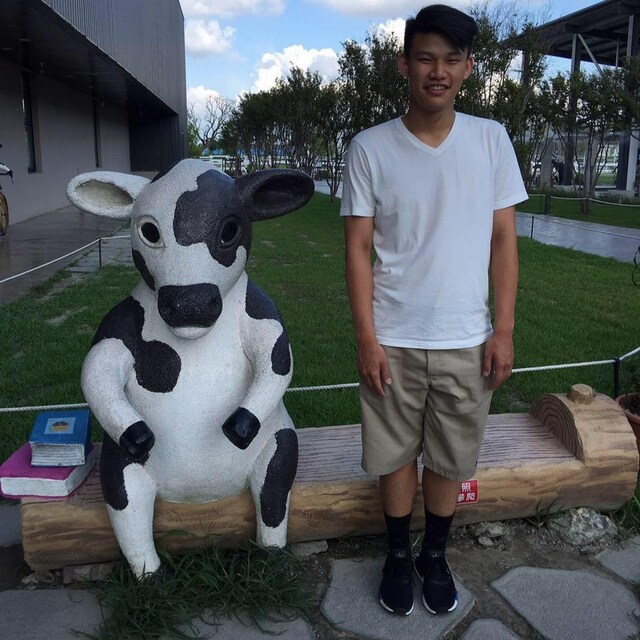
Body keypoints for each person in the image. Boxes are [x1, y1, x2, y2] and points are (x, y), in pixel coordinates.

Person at [341, 4, 527, 616]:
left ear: (468, 67)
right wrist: (366, 337)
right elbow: (358, 248)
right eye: (425, 58)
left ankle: (435, 555)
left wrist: (503, 330)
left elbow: (504, 240)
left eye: (451, 59)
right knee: (394, 453)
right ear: (405, 64)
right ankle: (398, 555)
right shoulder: (369, 148)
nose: (438, 71)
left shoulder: (491, 140)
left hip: (466, 337)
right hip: (392, 334)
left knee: (450, 456)